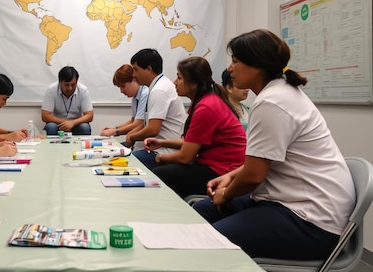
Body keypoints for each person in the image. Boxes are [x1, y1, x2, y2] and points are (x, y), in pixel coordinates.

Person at [193, 29, 356, 260]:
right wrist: (230, 176)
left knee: (207, 242)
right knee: (204, 210)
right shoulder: (280, 93)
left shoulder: (272, 102)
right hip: (292, 204)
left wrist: (227, 193)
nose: (230, 69)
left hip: (310, 222)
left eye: (236, 61)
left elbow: (254, 176)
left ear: (257, 65)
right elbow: (264, 159)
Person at [142, 57, 246, 198]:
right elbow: (192, 142)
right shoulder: (204, 102)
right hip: (216, 165)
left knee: (159, 174)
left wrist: (161, 157)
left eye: (179, 77)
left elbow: (185, 157)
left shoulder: (206, 107)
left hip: (224, 170)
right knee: (163, 171)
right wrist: (162, 142)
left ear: (193, 83)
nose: (175, 82)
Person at [126, 49, 186, 162]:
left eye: (135, 70)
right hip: (157, 146)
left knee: (124, 161)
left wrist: (132, 137)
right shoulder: (158, 86)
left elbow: (152, 130)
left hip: (163, 150)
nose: (133, 75)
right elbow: (147, 124)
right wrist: (131, 135)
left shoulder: (159, 90)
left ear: (148, 69)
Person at [100, 64, 149, 146]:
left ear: (134, 80)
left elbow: (137, 124)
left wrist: (115, 132)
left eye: (123, 86)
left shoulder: (145, 93)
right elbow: (132, 120)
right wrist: (114, 128)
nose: (121, 91)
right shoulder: (135, 97)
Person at [41, 66, 94, 135]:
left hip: (76, 124)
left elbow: (89, 115)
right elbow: (45, 116)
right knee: (50, 126)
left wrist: (72, 123)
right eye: (66, 85)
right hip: (58, 124)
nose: (70, 88)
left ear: (77, 81)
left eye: (73, 84)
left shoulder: (83, 90)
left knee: (85, 127)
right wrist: (66, 123)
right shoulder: (51, 90)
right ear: (60, 82)